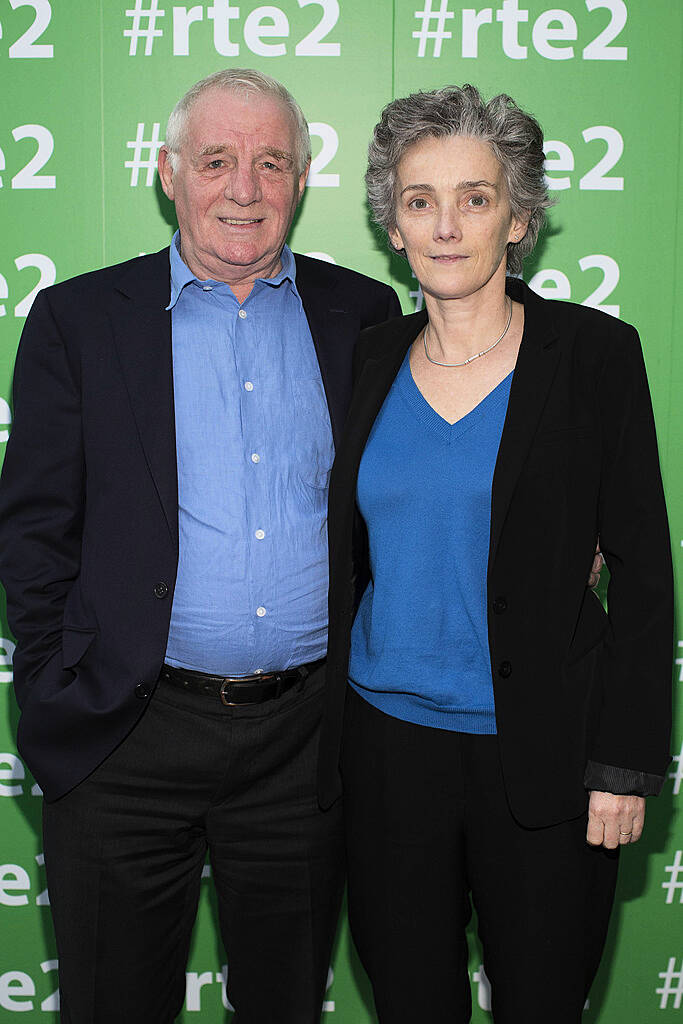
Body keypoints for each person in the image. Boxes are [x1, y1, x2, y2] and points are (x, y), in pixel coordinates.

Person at [0, 68, 400, 1023]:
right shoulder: (78, 320)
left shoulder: (365, 318)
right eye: (217, 161)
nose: (245, 189)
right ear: (169, 173)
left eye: (271, 162)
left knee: (285, 1007)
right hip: (125, 737)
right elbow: (34, 526)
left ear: (303, 179)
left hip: (305, 748)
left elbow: (398, 505)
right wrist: (63, 680)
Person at [318, 84, 673, 1023]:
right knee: (409, 1005)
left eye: (475, 198)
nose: (445, 225)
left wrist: (624, 765)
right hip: (386, 756)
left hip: (547, 763)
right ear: (391, 224)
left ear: (518, 217)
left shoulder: (593, 354)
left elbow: (642, 570)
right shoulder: (368, 358)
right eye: (418, 200)